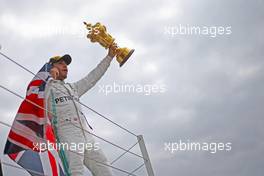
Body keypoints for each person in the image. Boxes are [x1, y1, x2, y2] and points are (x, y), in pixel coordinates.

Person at [45, 43, 117, 176]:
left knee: (105, 169)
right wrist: (48, 79)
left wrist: (109, 57)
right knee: (75, 171)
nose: (65, 66)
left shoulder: (73, 88)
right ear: (51, 67)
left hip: (87, 134)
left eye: (66, 64)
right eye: (60, 63)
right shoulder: (45, 87)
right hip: (66, 133)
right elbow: (35, 100)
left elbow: (92, 78)